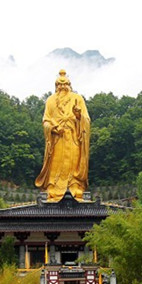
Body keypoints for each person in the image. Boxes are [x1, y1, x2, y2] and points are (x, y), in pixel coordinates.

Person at [35, 70, 91, 202]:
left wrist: (78, 116)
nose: (62, 87)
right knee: (56, 163)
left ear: (69, 85)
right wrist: (54, 128)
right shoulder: (50, 101)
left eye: (65, 84)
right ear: (56, 86)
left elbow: (86, 119)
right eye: (59, 85)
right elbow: (46, 120)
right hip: (57, 140)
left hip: (73, 138)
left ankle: (75, 186)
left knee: (73, 163)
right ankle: (52, 188)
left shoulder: (78, 99)